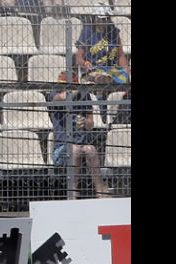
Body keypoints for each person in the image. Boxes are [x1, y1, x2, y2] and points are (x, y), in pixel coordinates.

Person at [47, 71, 110, 199]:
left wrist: (84, 122)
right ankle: (73, 191)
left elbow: (91, 123)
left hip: (82, 143)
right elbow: (62, 98)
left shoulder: (85, 96)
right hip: (62, 148)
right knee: (74, 149)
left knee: (90, 149)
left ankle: (100, 191)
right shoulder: (53, 94)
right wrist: (79, 87)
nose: (62, 87)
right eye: (62, 85)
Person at [75, 3, 130, 85]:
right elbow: (78, 58)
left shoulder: (113, 31)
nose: (104, 21)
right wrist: (85, 63)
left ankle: (109, 81)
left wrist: (126, 68)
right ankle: (104, 84)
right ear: (95, 18)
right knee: (99, 78)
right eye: (101, 19)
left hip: (112, 69)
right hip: (93, 70)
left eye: (106, 19)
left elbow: (120, 55)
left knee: (124, 76)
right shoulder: (87, 32)